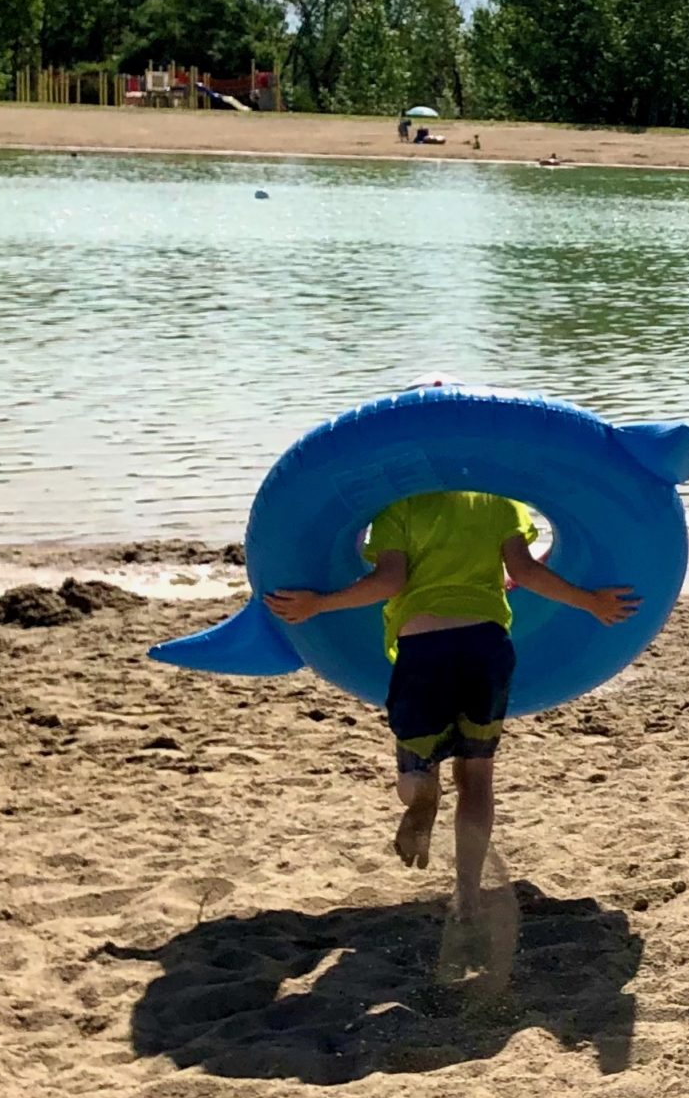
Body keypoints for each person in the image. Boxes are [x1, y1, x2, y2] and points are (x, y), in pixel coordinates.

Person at [263, 386, 638, 954]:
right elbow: (525, 573)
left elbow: (388, 583)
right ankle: (465, 894)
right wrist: (593, 603)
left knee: (415, 768)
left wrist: (318, 605)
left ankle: (422, 798)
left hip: (424, 653)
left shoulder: (399, 507)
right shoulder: (496, 501)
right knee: (479, 776)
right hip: (487, 648)